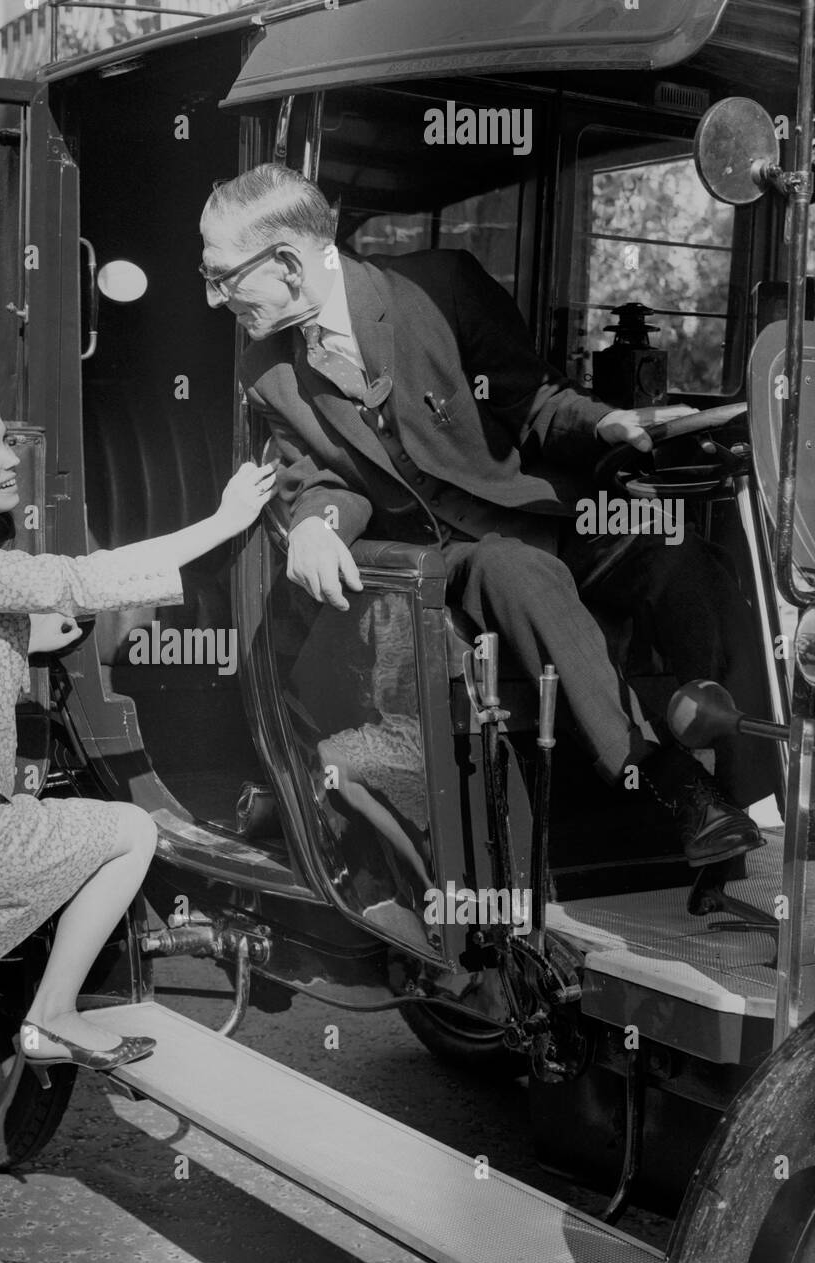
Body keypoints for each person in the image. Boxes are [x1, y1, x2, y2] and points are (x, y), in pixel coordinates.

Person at [201, 164, 763, 869]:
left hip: (545, 513)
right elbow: (324, 482)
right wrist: (315, 524)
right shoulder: (270, 375)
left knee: (674, 549)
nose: (216, 298)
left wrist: (608, 423)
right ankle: (670, 781)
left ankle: (760, 781)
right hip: (452, 558)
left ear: (285, 263)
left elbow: (535, 404)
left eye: (222, 277)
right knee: (513, 568)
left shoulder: (440, 287)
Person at [0, 383, 275, 1263]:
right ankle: (52, 1013)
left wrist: (34, 632)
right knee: (127, 830)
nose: (11, 460)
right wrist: (220, 524)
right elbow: (85, 574)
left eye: (8, 442)